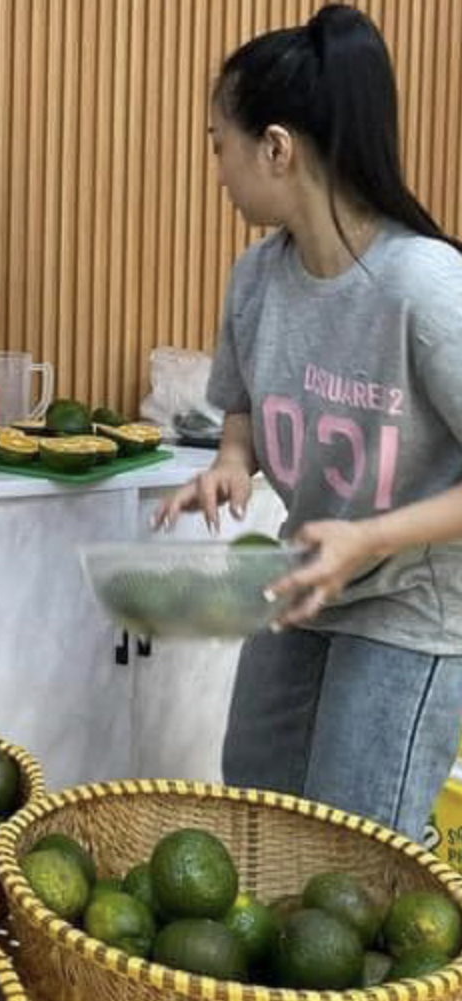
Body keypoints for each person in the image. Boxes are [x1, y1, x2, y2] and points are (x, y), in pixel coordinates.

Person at [156, 4, 462, 853]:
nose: (218, 171)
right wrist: (231, 462)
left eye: (219, 144)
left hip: (411, 607)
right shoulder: (257, 277)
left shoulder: (423, 286)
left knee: (353, 859)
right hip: (306, 586)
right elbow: (244, 408)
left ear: (277, 148)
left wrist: (369, 539)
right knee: (257, 820)